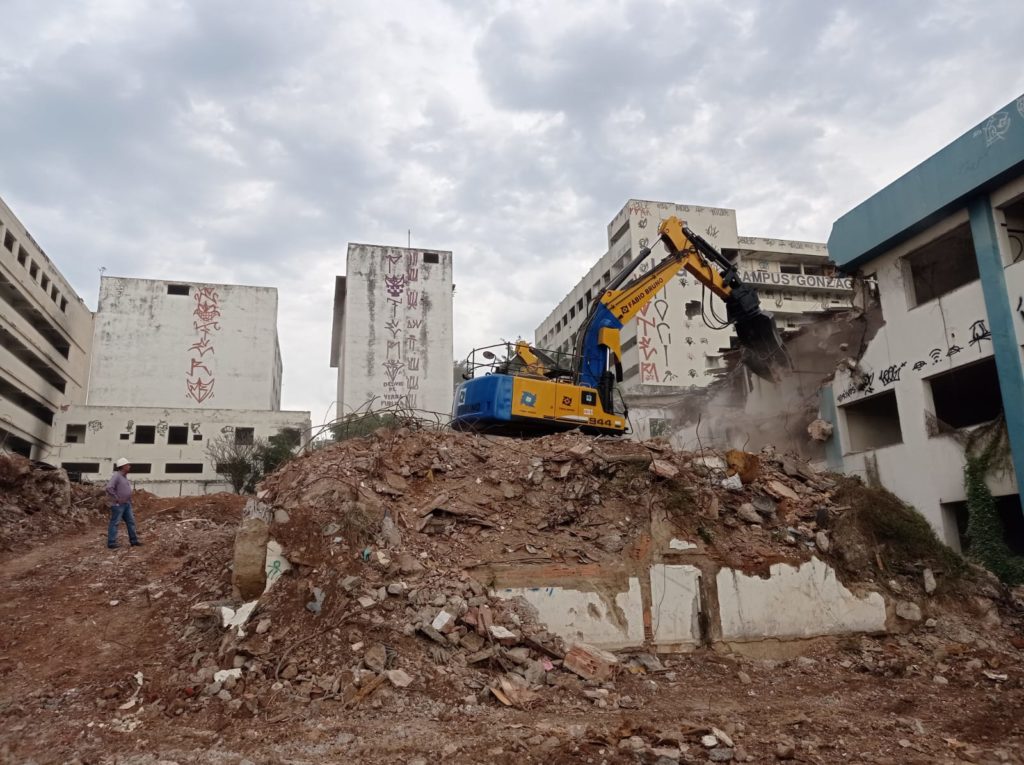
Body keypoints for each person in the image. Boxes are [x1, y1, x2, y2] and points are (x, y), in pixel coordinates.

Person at [106, 457, 141, 549]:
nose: (130, 466)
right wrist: (116, 498)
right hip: (118, 505)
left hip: (126, 504)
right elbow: (109, 487)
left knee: (131, 522)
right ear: (123, 466)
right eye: (128, 465)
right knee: (115, 522)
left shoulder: (124, 477)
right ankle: (111, 543)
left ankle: (134, 541)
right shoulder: (117, 476)